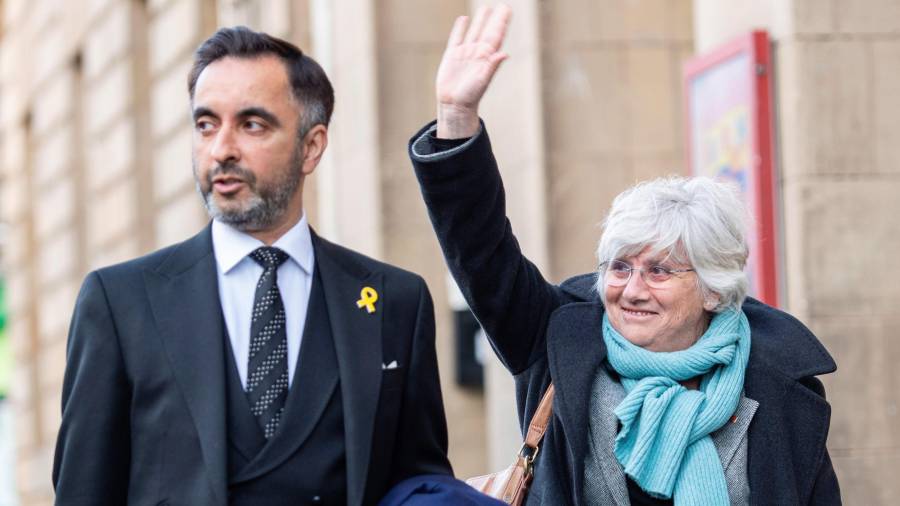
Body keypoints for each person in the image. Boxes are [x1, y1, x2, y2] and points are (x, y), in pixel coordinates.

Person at [408, 5, 841, 505]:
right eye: (619, 266)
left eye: (659, 271)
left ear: (712, 288)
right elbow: (481, 250)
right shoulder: (558, 338)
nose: (631, 289)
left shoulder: (778, 379)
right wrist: (457, 117)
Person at [53, 26, 451, 506]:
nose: (221, 149)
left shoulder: (395, 302)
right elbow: (83, 491)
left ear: (312, 146)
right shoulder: (119, 304)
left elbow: (422, 487)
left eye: (251, 125)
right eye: (205, 124)